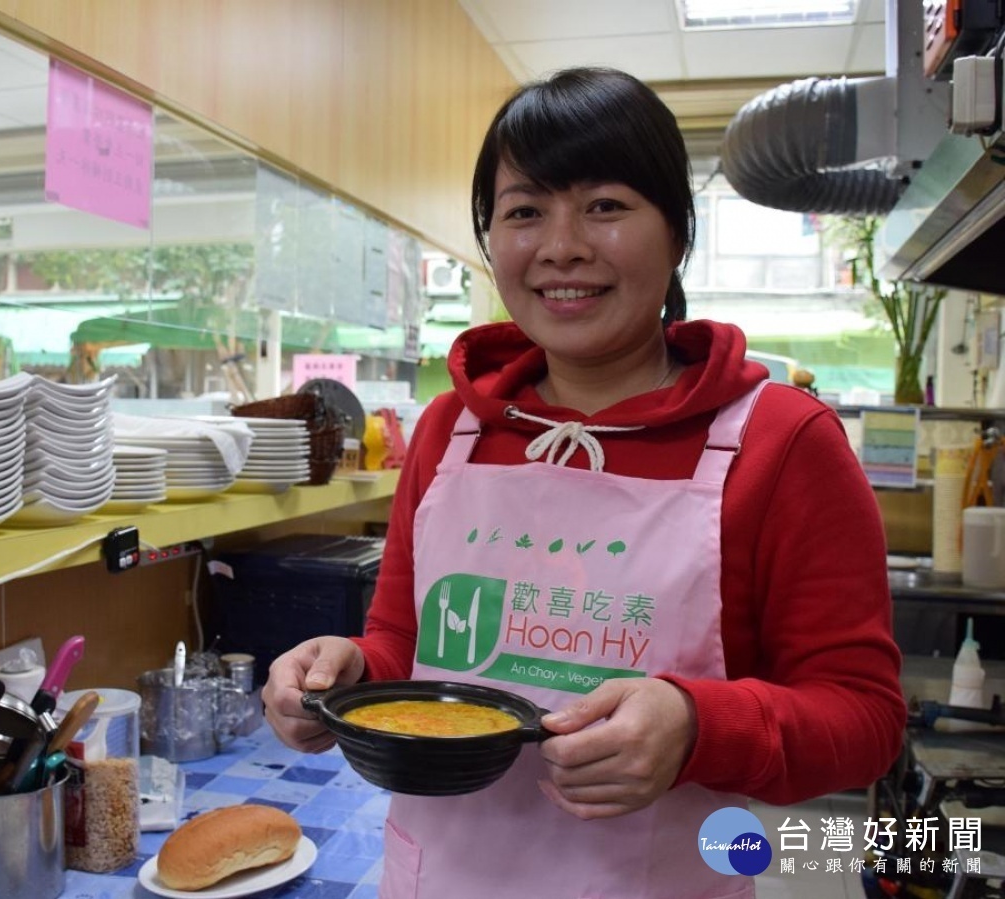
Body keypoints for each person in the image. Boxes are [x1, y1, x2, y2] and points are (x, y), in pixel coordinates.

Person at [262, 66, 905, 898]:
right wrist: (347, 672)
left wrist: (697, 725)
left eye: (604, 205)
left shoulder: (781, 441)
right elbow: (403, 644)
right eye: (525, 210)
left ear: (677, 232)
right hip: (440, 876)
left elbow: (864, 717)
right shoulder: (452, 432)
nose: (560, 245)